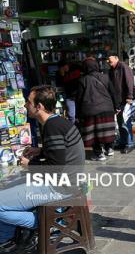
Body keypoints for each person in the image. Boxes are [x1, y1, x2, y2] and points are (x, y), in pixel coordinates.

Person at [0, 85, 85, 253]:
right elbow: (61, 154)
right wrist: (40, 151)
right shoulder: (56, 122)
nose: (25, 105)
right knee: (8, 188)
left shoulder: (52, 127)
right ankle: (8, 237)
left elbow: (56, 169)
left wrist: (29, 164)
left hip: (61, 187)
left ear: (39, 106)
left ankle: (42, 223)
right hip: (65, 182)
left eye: (28, 102)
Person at [76, 59, 118, 161]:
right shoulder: (105, 77)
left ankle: (99, 154)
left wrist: (78, 113)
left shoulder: (82, 80)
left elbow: (79, 98)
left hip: (91, 110)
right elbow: (113, 93)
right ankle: (109, 149)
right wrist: (116, 106)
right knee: (106, 131)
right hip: (107, 108)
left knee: (95, 133)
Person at [107, 52, 135, 154]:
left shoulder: (123, 67)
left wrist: (129, 97)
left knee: (126, 122)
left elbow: (129, 81)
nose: (109, 63)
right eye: (108, 61)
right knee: (120, 123)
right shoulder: (111, 70)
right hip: (118, 101)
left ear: (117, 58)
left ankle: (129, 143)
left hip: (125, 99)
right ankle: (123, 141)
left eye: (110, 61)